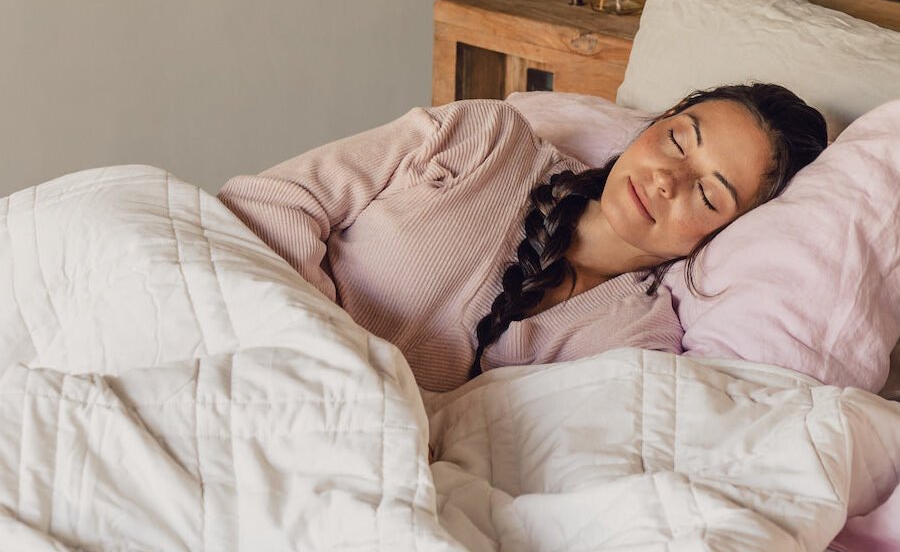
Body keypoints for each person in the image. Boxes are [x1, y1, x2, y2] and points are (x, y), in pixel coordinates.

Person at [217, 84, 827, 392]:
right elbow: (270, 204)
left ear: (729, 234)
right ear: (654, 125)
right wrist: (314, 349)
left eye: (709, 193)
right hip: (236, 340)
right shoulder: (487, 140)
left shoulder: (633, 340)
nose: (668, 179)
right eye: (677, 140)